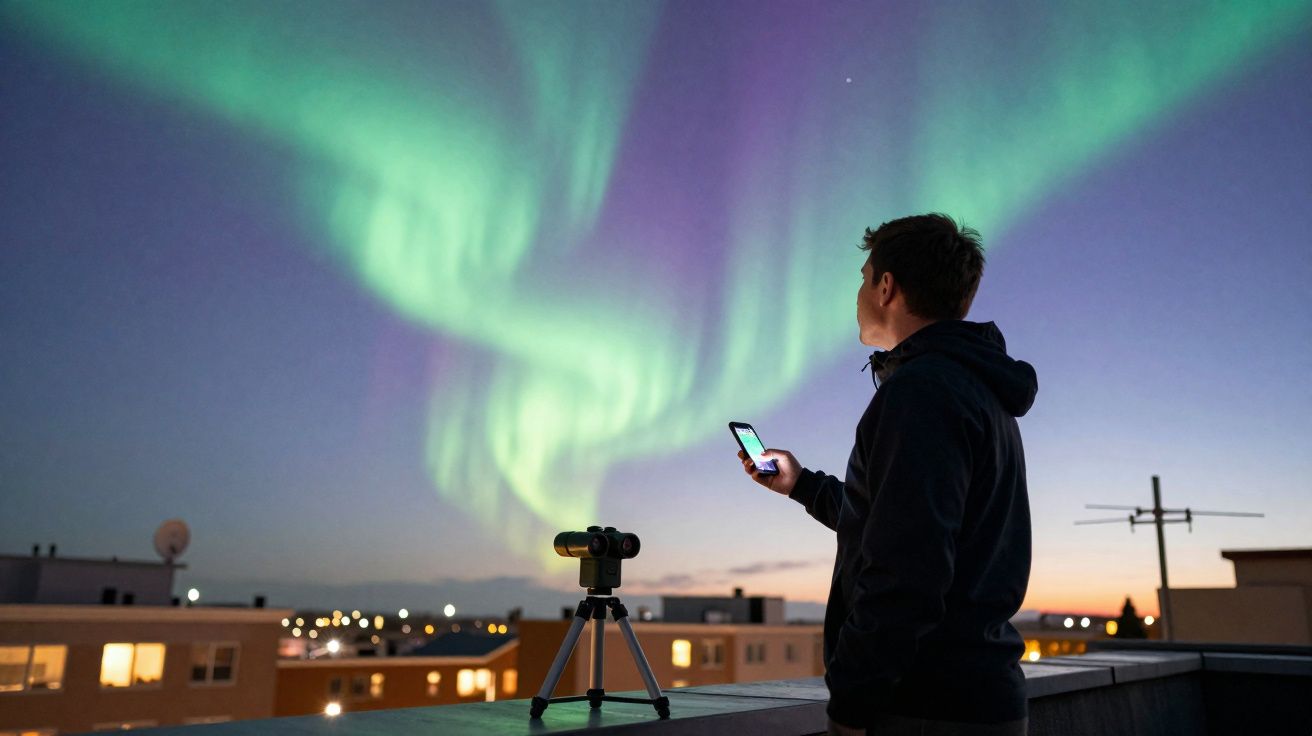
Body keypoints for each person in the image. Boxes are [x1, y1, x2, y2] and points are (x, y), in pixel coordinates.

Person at [739, 214, 1036, 736]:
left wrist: (851, 706)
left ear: (885, 286)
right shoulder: (975, 390)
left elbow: (907, 570)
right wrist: (801, 483)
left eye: (862, 275)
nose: (857, 292)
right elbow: (895, 522)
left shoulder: (922, 394)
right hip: (975, 696)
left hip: (924, 706)